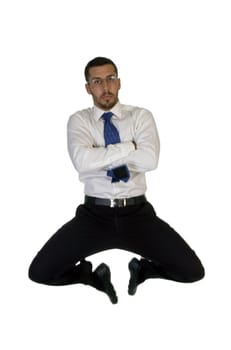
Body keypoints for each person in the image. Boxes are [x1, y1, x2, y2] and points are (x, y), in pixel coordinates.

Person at [29, 57, 205, 304]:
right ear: (88, 88)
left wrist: (100, 157)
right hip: (94, 216)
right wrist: (129, 146)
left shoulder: (141, 116)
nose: (106, 87)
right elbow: (82, 161)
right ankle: (92, 277)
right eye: (97, 81)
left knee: (192, 272)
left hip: (138, 215)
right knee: (40, 272)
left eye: (111, 79)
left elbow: (150, 160)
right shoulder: (79, 121)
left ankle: (143, 270)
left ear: (119, 82)